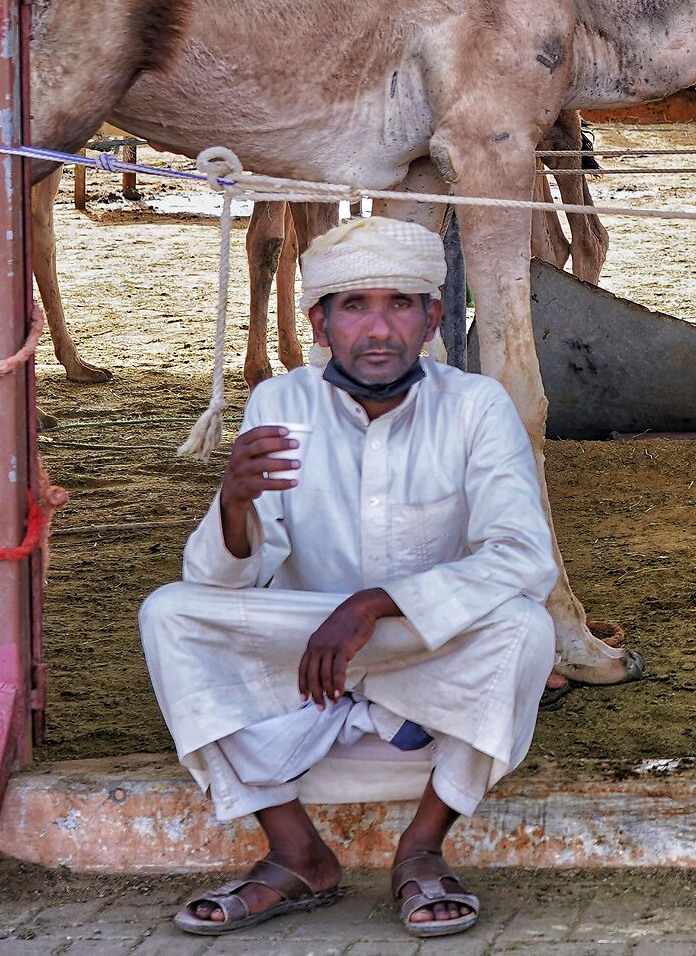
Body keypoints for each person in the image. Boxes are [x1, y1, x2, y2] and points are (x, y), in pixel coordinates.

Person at [139, 215, 556, 938]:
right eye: (354, 307)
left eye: (400, 303)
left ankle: (422, 850)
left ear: (433, 319)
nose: (379, 329)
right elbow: (224, 581)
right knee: (170, 614)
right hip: (310, 658)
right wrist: (233, 502)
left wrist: (375, 603)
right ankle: (296, 852)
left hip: (421, 645)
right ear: (319, 323)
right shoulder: (281, 404)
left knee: (526, 627)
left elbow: (523, 555)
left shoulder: (474, 406)